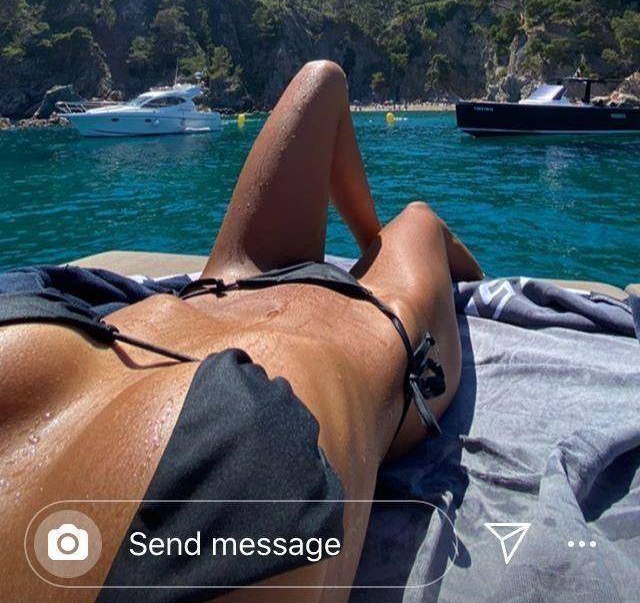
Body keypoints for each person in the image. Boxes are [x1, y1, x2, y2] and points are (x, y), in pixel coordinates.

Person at [0, 61, 482, 602]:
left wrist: (374, 251)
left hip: (229, 282)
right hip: (363, 317)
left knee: (322, 80)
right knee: (419, 220)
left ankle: (376, 249)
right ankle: (383, 253)